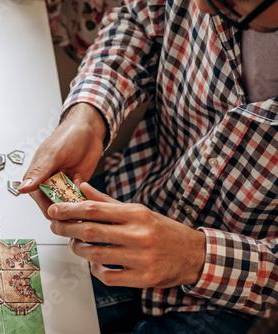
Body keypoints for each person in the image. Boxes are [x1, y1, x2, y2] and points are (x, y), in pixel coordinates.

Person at [18, 0, 278, 332]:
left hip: (233, 309)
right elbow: (139, 20)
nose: (199, 6)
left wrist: (195, 256)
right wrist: (88, 115)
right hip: (127, 196)